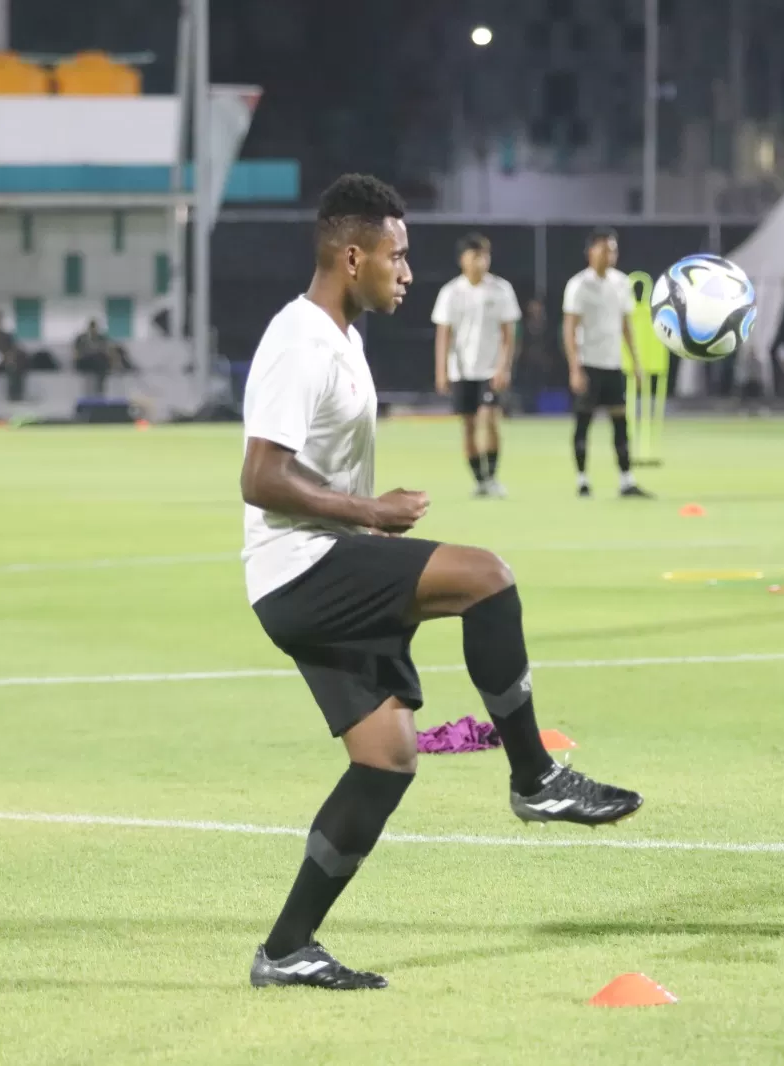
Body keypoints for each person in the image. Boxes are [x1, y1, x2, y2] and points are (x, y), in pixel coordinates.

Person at [239, 174, 642, 991]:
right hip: (302, 567)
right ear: (352, 256)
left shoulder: (342, 337)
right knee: (486, 578)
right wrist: (368, 511)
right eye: (398, 255)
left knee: (384, 760)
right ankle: (536, 778)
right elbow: (260, 475)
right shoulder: (300, 341)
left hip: (317, 566)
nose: (408, 271)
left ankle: (285, 949)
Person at [431, 232, 521, 498]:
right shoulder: (450, 292)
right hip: (461, 369)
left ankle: (492, 477)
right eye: (475, 256)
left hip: (490, 368)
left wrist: (503, 367)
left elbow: (508, 333)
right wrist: (441, 370)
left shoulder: (501, 289)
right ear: (463, 260)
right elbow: (444, 334)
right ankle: (479, 480)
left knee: (489, 419)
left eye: (485, 256)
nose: (481, 261)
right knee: (468, 425)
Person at [562, 227, 651, 498]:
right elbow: (569, 328)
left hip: (613, 364)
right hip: (589, 363)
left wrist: (635, 363)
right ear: (591, 252)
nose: (610, 254)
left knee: (620, 422)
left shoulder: (621, 282)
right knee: (584, 422)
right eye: (604, 248)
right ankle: (582, 479)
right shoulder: (578, 285)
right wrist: (575, 367)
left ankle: (626, 480)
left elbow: (626, 326)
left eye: (613, 249)